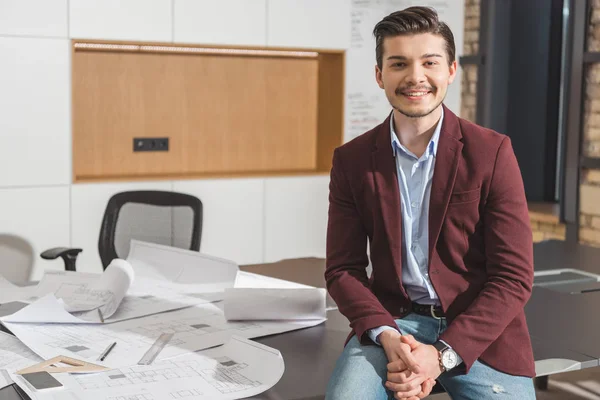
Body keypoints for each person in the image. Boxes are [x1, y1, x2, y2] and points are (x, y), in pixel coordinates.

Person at [324, 6, 536, 400]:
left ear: (451, 70)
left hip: (477, 332)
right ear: (379, 75)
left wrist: (439, 357)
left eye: (429, 62)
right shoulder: (352, 161)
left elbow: (513, 278)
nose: (415, 76)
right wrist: (386, 336)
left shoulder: (492, 152)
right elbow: (342, 270)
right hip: (392, 326)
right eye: (399, 63)